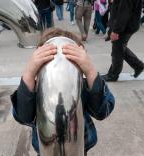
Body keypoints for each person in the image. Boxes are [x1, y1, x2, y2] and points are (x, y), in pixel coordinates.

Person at [11, 28, 115, 156]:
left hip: (79, 147)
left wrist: (91, 72)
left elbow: (102, 111)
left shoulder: (84, 84)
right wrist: (29, 74)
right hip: (46, 148)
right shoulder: (35, 87)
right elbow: (23, 116)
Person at [101, 0, 144, 82]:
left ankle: (113, 75)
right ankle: (138, 65)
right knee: (120, 48)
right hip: (127, 25)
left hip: (124, 27)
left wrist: (116, 31)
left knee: (117, 50)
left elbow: (124, 13)